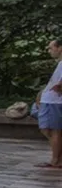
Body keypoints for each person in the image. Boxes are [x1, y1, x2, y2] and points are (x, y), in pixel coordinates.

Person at [38, 39, 62, 169]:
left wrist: (58, 87)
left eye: (51, 48)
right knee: (51, 130)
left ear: (60, 48)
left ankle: (56, 159)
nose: (49, 51)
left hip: (54, 101)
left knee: (52, 130)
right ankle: (57, 158)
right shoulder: (60, 64)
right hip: (51, 100)